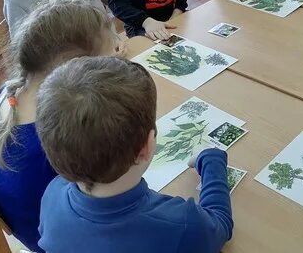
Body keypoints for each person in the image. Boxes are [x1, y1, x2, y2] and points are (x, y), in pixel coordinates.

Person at [36, 56, 233, 253]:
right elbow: (221, 225)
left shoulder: (52, 194)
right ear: (145, 147)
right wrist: (211, 160)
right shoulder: (182, 224)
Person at [0, 0, 120, 252]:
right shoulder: (61, 133)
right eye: (109, 59)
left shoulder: (8, 93)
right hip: (57, 242)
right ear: (76, 68)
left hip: (27, 225)